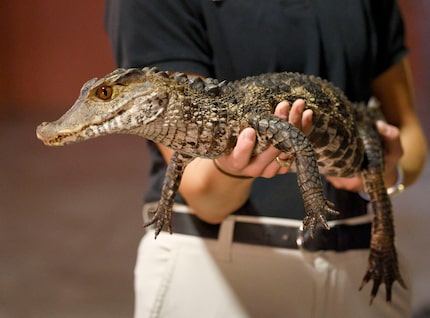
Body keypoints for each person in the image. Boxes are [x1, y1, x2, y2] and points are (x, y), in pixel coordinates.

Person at [105, 1, 427, 317]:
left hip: (363, 268)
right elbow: (203, 193)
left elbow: (409, 131)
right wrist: (230, 169)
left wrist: (383, 174)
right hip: (214, 272)